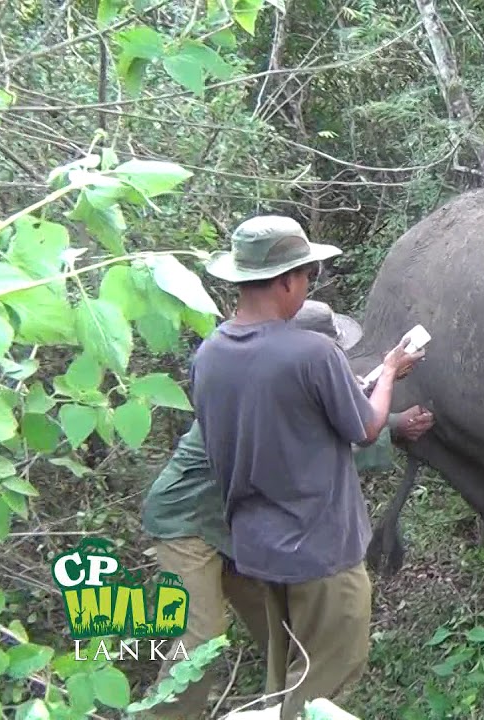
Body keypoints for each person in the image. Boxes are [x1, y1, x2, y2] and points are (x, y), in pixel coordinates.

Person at [141, 300, 434, 719]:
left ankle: (279, 707)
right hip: (187, 520)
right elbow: (316, 444)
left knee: (283, 636)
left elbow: (319, 422)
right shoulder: (269, 385)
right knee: (201, 635)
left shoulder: (268, 373)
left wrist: (370, 401)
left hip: (237, 527)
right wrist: (391, 414)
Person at [188, 215, 426, 719]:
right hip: (320, 553)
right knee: (323, 689)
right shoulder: (312, 352)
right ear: (286, 280)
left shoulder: (208, 355)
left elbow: (279, 427)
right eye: (307, 277)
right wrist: (387, 372)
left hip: (260, 552)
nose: (307, 287)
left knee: (286, 677)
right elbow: (366, 428)